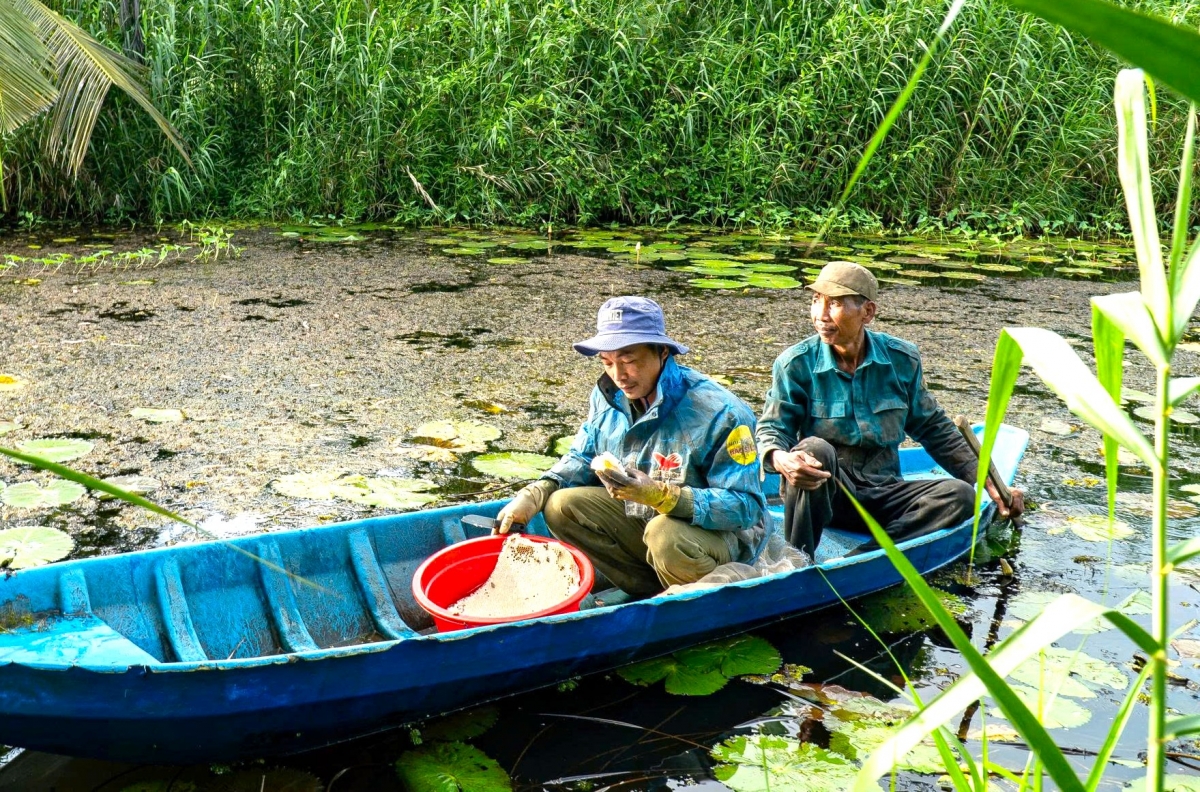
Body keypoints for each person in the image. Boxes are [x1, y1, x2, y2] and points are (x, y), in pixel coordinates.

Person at [494, 296, 770, 598]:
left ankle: (698, 603)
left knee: (665, 534)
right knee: (561, 506)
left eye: (628, 360)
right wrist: (535, 492)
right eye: (607, 362)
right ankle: (650, 594)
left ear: (662, 352)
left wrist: (665, 497)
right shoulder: (607, 396)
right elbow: (582, 455)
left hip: (717, 539)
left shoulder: (723, 413)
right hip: (645, 521)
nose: (619, 375)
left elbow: (746, 507)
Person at [756, 261, 1024, 557]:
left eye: (834, 304)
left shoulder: (901, 359)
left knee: (960, 496)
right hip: (828, 496)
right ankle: (797, 559)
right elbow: (772, 429)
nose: (820, 315)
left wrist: (990, 482)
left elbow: (933, 428)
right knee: (814, 450)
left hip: (885, 495)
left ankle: (864, 557)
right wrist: (780, 458)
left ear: (867, 312)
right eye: (816, 300)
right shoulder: (795, 364)